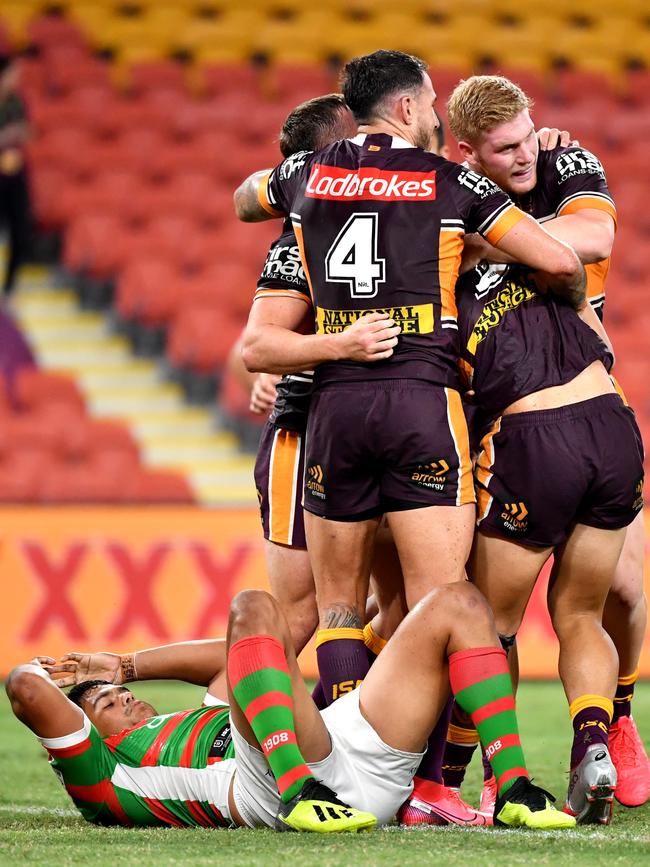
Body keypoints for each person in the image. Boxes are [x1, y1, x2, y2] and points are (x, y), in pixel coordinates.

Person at [236, 51, 585, 752]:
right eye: (429, 103)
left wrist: (291, 179)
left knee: (340, 606)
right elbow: (559, 260)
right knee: (443, 602)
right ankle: (467, 778)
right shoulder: (450, 181)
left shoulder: (309, 174)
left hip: (332, 411)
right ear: (404, 109)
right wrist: (568, 301)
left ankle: (338, 757)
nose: (435, 114)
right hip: (422, 398)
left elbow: (246, 198)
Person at [443, 74, 645, 823]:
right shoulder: (452, 195)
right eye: (507, 148)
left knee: (490, 624)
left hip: (537, 433)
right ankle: (592, 736)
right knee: (583, 612)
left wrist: (489, 244)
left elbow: (595, 239)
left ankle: (496, 776)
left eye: (532, 135)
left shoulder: (551, 173)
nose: (529, 154)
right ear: (470, 152)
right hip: (610, 427)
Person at [6, 583, 577, 831]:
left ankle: (516, 789)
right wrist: (60, 677)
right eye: (106, 703)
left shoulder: (188, 720)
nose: (121, 698)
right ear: (88, 733)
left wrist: (123, 665)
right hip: (271, 789)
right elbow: (24, 689)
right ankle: (302, 791)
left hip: (341, 751)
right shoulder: (110, 776)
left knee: (458, 601)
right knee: (252, 604)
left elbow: (230, 660)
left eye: (117, 690)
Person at [0, 54, 32, 297]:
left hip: (13, 171)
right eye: (12, 73)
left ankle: (10, 288)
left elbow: (28, 132)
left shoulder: (17, 102)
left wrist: (21, 134)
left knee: (20, 229)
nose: (16, 79)